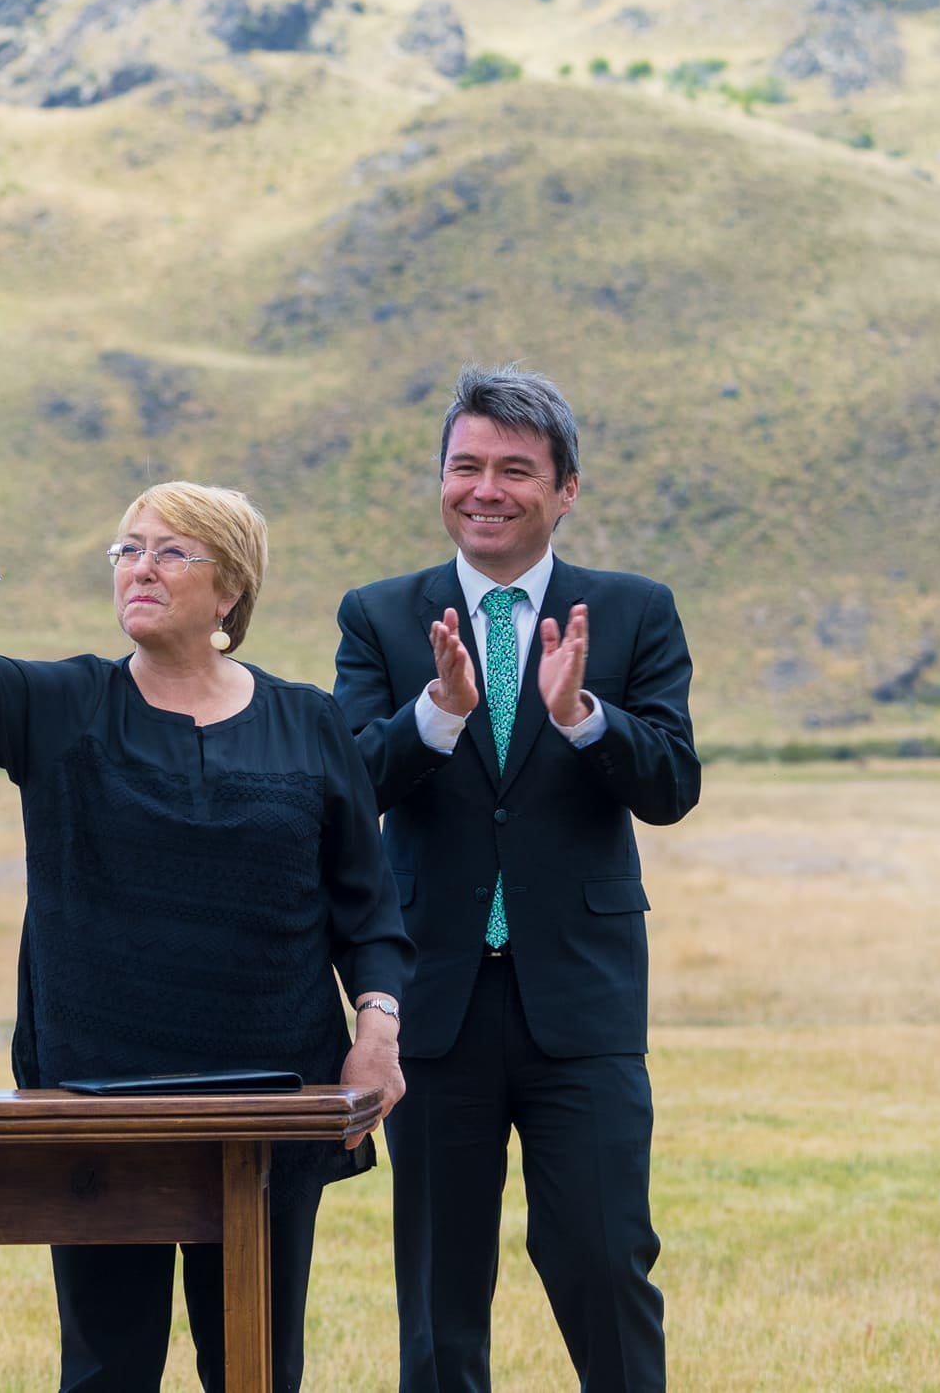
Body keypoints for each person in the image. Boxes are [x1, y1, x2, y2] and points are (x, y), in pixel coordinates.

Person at [0, 476, 412, 1393]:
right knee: (108, 1368)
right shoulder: (68, 704)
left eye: (167, 551)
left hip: (267, 1104)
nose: (137, 569)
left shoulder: (307, 721)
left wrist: (378, 1030)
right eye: (127, 550)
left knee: (255, 1366)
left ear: (230, 589)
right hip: (98, 1100)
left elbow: (367, 906)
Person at [333, 365, 701, 1393]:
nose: (483, 489)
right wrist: (438, 713)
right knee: (439, 1289)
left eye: (513, 470)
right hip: (434, 1001)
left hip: (577, 1002)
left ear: (565, 488)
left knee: (599, 1256)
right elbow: (348, 786)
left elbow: (671, 784)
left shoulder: (631, 613)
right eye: (464, 467)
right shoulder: (378, 615)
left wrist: (585, 716)